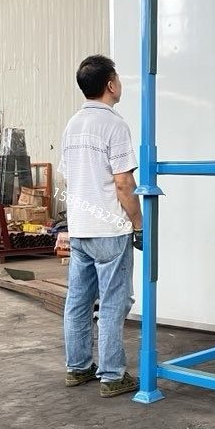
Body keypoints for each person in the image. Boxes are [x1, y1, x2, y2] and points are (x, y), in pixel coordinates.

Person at [59, 55, 144, 398]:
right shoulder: (114, 125)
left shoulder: (72, 125)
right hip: (110, 230)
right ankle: (112, 376)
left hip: (80, 228)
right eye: (118, 78)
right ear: (110, 84)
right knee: (112, 303)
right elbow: (124, 182)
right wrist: (138, 223)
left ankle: (78, 368)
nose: (120, 83)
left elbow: (71, 176)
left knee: (78, 302)